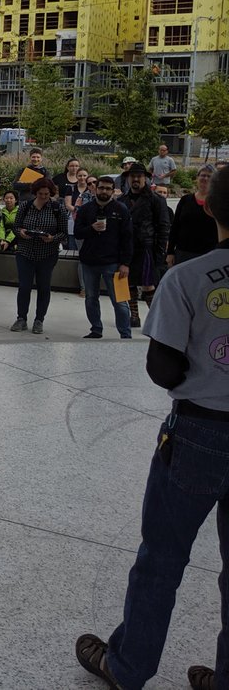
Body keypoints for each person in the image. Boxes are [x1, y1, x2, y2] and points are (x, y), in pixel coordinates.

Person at [74, 166, 229, 690]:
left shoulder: (187, 279)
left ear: (207, 207)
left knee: (161, 558)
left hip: (200, 431)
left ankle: (129, 666)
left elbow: (163, 368)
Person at [74, 175, 133, 340]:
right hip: (89, 262)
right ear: (95, 189)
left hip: (114, 263)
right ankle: (96, 329)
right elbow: (77, 233)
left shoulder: (121, 209)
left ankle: (125, 334)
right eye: (101, 188)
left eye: (108, 188)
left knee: (120, 301)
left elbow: (128, 238)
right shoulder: (86, 209)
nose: (104, 191)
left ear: (113, 191)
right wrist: (91, 228)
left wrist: (126, 263)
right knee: (91, 298)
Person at [10, 177, 68, 334]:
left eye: (46, 194)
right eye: (40, 194)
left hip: (47, 254)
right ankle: (21, 318)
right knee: (24, 287)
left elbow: (64, 233)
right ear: (35, 193)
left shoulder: (57, 208)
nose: (43, 197)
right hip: (25, 252)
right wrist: (21, 232)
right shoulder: (25, 206)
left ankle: (39, 319)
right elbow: (16, 227)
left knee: (44, 287)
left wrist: (52, 238)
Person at [122, 161, 171, 327]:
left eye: (139, 176)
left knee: (148, 285)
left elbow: (164, 227)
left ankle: (158, 320)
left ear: (145, 178)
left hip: (147, 247)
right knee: (128, 283)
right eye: (132, 176)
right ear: (128, 178)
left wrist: (160, 253)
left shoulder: (156, 200)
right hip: (127, 249)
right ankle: (134, 316)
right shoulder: (122, 200)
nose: (135, 179)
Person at [168, 165, 218, 265]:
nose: (205, 178)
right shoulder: (185, 200)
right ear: (197, 178)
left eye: (209, 176)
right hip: (184, 252)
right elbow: (175, 226)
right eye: (203, 175)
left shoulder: (218, 202)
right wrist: (170, 252)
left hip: (209, 254)